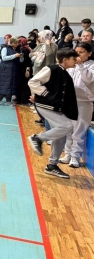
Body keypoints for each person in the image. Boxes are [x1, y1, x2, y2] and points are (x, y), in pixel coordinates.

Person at [28, 48, 78, 179]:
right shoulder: (52, 69)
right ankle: (38, 138)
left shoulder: (64, 73)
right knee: (66, 126)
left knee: (60, 135)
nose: (76, 61)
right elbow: (32, 81)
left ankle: (52, 165)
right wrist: (45, 94)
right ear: (65, 60)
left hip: (54, 106)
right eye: (73, 59)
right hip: (46, 105)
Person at [60, 42, 94, 168]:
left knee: (79, 130)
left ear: (89, 53)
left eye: (81, 52)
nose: (78, 55)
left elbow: (89, 80)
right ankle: (68, 153)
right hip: (70, 101)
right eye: (76, 52)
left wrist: (81, 66)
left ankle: (75, 156)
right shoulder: (71, 65)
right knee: (69, 128)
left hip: (85, 102)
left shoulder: (91, 66)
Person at [0, 37, 23, 107]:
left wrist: (21, 57)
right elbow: (4, 58)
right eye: (15, 43)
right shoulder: (5, 48)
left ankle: (8, 100)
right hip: (5, 69)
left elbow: (21, 61)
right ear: (11, 43)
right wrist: (14, 55)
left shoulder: (18, 49)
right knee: (3, 84)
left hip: (14, 69)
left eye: (18, 43)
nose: (17, 44)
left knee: (11, 85)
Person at [15, 36, 33, 104]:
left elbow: (28, 61)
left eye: (19, 42)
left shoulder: (24, 49)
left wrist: (27, 70)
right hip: (23, 69)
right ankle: (21, 99)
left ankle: (24, 99)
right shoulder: (26, 48)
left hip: (24, 69)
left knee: (24, 85)